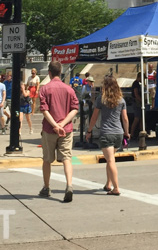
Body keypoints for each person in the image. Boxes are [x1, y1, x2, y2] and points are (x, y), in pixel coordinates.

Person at [38, 60, 79, 202]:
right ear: (60, 72)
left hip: (49, 129)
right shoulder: (69, 89)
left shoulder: (44, 89)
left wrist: (55, 125)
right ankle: (69, 185)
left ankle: (46, 187)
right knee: (67, 158)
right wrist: (62, 124)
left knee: (47, 160)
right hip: (66, 129)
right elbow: (75, 108)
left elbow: (44, 110)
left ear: (49, 72)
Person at [86, 76, 130, 196]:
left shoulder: (101, 99)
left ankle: (116, 188)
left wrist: (89, 131)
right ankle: (108, 184)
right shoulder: (121, 100)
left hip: (106, 133)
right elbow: (125, 118)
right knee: (110, 159)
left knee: (110, 160)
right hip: (118, 134)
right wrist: (127, 132)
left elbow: (94, 117)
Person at [130, 72, 143, 139]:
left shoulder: (138, 84)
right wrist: (141, 100)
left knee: (141, 118)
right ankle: (131, 134)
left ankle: (141, 132)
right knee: (137, 118)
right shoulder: (135, 84)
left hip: (138, 102)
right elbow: (136, 94)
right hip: (136, 102)